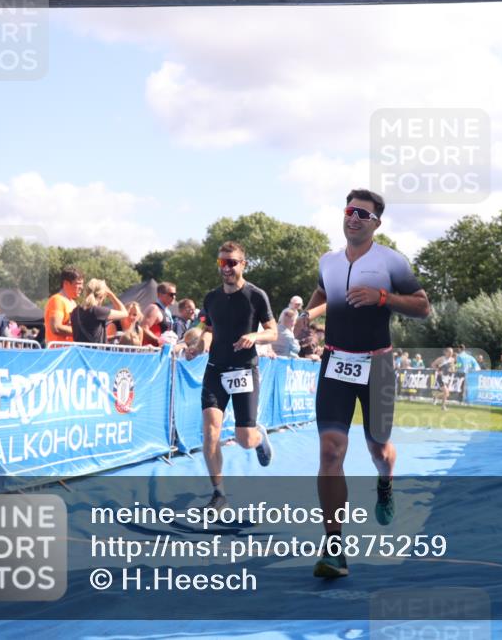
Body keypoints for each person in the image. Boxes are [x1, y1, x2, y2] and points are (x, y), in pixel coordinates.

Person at [299, 189, 430, 579]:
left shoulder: (391, 261)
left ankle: (385, 483)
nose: (353, 218)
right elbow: (323, 291)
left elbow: (423, 306)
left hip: (378, 365)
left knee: (379, 448)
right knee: (330, 451)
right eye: (349, 211)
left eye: (363, 214)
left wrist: (383, 296)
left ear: (376, 223)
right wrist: (308, 315)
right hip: (335, 362)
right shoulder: (329, 261)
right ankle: (334, 546)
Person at [191, 241, 278, 510]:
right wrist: (200, 343)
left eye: (231, 262)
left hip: (244, 372)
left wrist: (255, 335)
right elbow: (205, 327)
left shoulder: (256, 295)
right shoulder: (211, 297)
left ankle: (259, 437)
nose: (226, 268)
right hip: (215, 370)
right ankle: (219, 494)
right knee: (210, 432)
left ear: (243, 264)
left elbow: (273, 331)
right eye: (222, 262)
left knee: (244, 439)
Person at [70, 280, 128, 344]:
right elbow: (125, 313)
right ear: (101, 296)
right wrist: (111, 294)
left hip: (79, 352)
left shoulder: (75, 311)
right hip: (96, 352)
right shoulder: (98, 311)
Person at [44, 267, 84, 345]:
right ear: (66, 283)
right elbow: (56, 328)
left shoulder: (73, 303)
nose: (81, 287)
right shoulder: (57, 300)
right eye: (78, 284)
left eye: (82, 284)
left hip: (69, 351)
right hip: (58, 352)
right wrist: (80, 332)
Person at [142, 282, 177, 347]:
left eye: (175, 294)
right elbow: (143, 329)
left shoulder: (167, 311)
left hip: (162, 351)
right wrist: (160, 341)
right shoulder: (154, 309)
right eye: (171, 294)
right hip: (151, 352)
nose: (174, 297)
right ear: (160, 295)